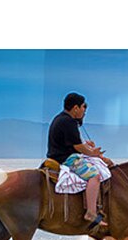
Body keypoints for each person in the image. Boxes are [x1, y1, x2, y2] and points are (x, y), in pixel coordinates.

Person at [47, 92, 113, 229]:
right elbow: (78, 147)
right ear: (76, 108)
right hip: (67, 159)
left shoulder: (60, 119)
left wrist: (86, 145)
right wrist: (93, 153)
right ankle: (91, 212)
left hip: (58, 155)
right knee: (94, 176)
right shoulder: (69, 122)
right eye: (83, 107)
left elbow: (73, 142)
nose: (84, 110)